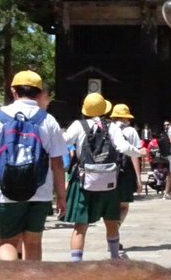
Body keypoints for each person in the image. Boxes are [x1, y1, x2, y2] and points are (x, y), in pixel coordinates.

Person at [0, 70, 67, 261]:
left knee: (7, 243)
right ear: (39, 92)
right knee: (33, 243)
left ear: (13, 91)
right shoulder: (48, 120)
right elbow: (57, 163)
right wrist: (61, 196)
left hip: (7, 191)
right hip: (40, 191)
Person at [62, 92, 145, 261]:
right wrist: (139, 152)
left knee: (80, 226)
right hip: (109, 181)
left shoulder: (78, 125)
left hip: (84, 180)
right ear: (104, 110)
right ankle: (114, 258)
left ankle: (76, 263)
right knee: (111, 222)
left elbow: (63, 141)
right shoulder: (111, 126)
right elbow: (123, 147)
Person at [109, 103, 143, 246]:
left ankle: (112, 235)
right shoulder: (130, 131)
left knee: (112, 205)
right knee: (124, 206)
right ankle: (114, 231)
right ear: (126, 117)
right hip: (125, 172)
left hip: (108, 171)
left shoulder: (108, 129)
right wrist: (138, 178)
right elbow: (135, 155)